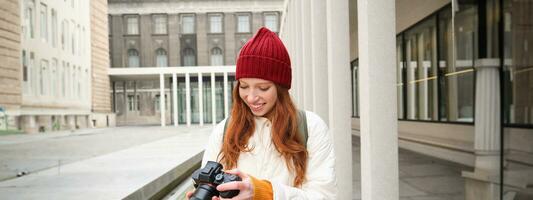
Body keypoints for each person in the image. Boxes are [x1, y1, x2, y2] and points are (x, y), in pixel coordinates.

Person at [188, 27, 337, 200]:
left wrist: (265, 193)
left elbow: (324, 196)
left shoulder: (311, 127)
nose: (251, 98)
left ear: (281, 88)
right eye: (243, 86)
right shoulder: (224, 130)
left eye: (263, 88)